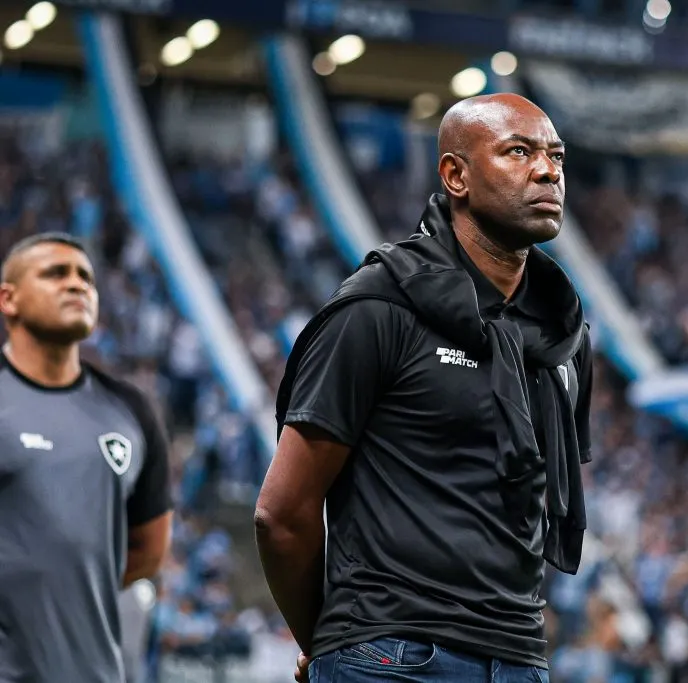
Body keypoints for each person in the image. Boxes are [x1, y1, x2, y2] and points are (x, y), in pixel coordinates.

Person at [255, 93, 593, 683]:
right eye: (519, 151)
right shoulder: (377, 310)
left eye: (556, 156)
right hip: (391, 655)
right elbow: (282, 515)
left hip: (520, 659)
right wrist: (334, 642)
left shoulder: (562, 335)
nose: (547, 170)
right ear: (455, 175)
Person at [0, 232, 173, 682]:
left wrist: (65, 595)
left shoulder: (131, 410)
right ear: (9, 299)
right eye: (56, 273)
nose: (77, 285)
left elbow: (149, 551)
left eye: (86, 278)